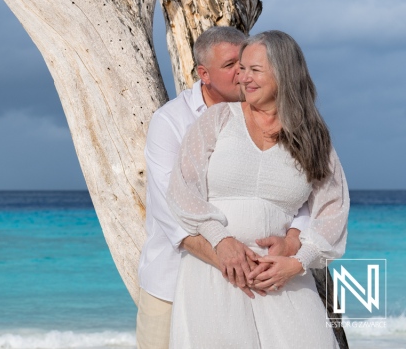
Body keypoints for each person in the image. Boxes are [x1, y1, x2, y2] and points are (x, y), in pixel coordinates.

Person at [166, 30, 349, 348]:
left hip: (282, 278)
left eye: (255, 70)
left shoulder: (313, 136)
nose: (244, 78)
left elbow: (333, 209)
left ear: (284, 73)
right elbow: (183, 189)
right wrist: (221, 241)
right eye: (241, 69)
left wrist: (298, 261)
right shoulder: (218, 119)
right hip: (214, 275)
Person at [136, 26, 308, 349]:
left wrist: (294, 239)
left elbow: (303, 193)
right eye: (231, 66)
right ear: (204, 74)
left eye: (246, 64)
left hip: (250, 288)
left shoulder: (273, 116)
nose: (242, 74)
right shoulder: (170, 122)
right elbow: (170, 211)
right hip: (172, 285)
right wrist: (228, 258)